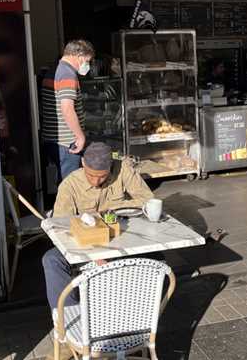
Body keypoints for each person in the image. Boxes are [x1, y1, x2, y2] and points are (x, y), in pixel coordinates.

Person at [42, 142, 154, 312]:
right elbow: (61, 228)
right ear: (83, 164)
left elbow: (148, 200)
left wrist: (114, 208)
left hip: (121, 236)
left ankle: (142, 313)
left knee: (154, 254)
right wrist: (94, 255)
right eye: (91, 175)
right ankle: (67, 318)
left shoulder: (122, 168)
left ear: (110, 167)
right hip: (84, 244)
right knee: (51, 259)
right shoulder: (70, 185)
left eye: (102, 177)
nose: (96, 182)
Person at [41, 39, 95, 182]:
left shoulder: (53, 71)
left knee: (63, 184)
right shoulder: (67, 74)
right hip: (67, 143)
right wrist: (80, 137)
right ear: (79, 56)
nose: (87, 65)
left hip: (52, 139)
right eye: (87, 61)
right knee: (70, 186)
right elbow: (67, 109)